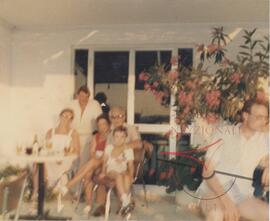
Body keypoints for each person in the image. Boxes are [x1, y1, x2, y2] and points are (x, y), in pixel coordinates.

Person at [198, 99, 269, 221]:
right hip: (214, 193)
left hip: (243, 197)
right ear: (246, 116)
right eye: (259, 117)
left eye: (265, 117)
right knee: (216, 215)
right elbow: (207, 172)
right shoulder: (223, 133)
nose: (263, 122)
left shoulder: (264, 139)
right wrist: (227, 202)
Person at [54, 114, 111, 214]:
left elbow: (109, 154)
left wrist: (98, 158)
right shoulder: (95, 137)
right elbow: (92, 152)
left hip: (107, 163)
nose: (102, 126)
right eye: (99, 124)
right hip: (95, 163)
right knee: (88, 174)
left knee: (92, 163)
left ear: (108, 124)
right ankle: (89, 204)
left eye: (104, 124)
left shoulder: (111, 136)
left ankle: (69, 185)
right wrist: (96, 158)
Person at [93, 106, 142, 216]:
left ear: (124, 117)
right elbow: (107, 151)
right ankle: (102, 205)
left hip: (128, 161)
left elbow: (138, 143)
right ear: (110, 119)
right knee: (98, 170)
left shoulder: (130, 128)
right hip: (112, 163)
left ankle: (124, 204)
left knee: (124, 176)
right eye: (113, 117)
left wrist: (122, 147)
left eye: (119, 116)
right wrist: (102, 166)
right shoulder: (111, 132)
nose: (116, 119)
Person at [32, 108, 80, 197]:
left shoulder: (73, 133)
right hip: (51, 157)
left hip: (65, 159)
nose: (67, 119)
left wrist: (64, 156)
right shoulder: (51, 131)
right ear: (60, 117)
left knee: (45, 163)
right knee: (37, 162)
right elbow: (45, 148)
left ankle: (46, 186)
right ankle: (36, 191)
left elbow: (77, 152)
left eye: (70, 117)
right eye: (65, 116)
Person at [99, 126, 134, 215]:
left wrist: (131, 175)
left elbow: (130, 165)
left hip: (122, 169)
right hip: (111, 170)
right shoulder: (109, 147)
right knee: (118, 176)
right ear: (113, 137)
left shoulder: (128, 149)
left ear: (126, 138)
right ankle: (125, 201)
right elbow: (104, 161)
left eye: (122, 137)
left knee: (126, 177)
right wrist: (103, 172)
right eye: (117, 136)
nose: (119, 139)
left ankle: (123, 205)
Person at [68, 85, 102, 168]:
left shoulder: (94, 104)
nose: (83, 99)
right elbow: (66, 118)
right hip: (73, 137)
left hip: (88, 138)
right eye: (81, 96)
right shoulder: (71, 104)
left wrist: (98, 135)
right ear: (77, 95)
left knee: (83, 162)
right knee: (72, 161)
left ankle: (80, 180)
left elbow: (100, 120)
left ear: (89, 96)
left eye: (86, 97)